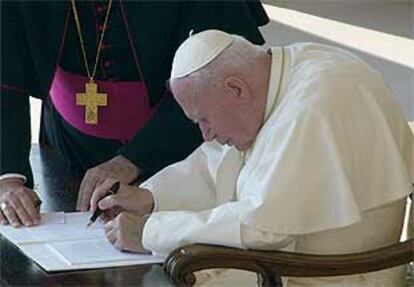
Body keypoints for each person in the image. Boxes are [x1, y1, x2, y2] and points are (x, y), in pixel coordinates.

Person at [91, 30, 413, 286]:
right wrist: (150, 198)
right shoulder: (275, 76)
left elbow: (265, 227)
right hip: (290, 263)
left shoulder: (316, 102)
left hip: (332, 276)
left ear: (235, 88)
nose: (206, 134)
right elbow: (215, 160)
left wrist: (150, 232)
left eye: (204, 119)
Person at [0, 1, 269, 227]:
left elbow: (227, 73)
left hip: (175, 148)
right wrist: (8, 178)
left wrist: (135, 158)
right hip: (67, 150)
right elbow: (6, 72)